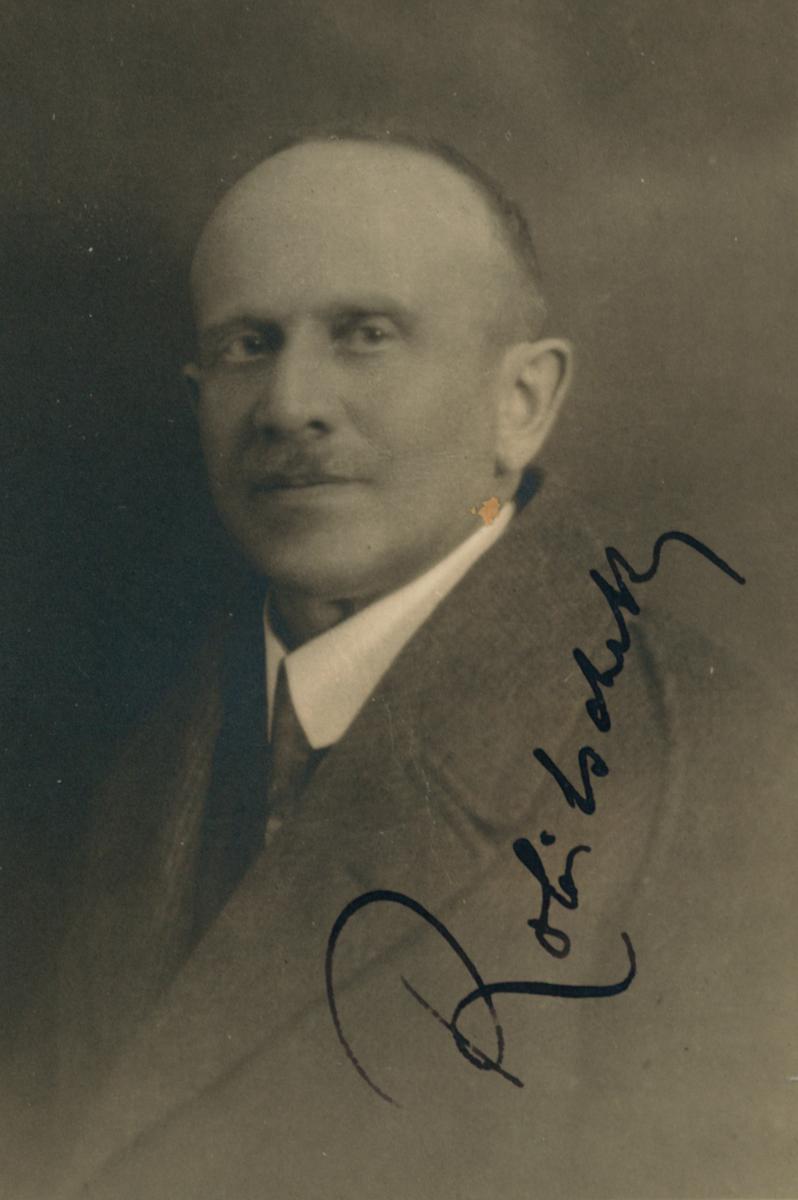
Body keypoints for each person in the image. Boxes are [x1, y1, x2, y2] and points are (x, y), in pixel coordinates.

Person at [31, 134, 795, 1199]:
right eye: (249, 344)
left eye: (366, 335)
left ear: (520, 402)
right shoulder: (106, 741)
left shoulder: (726, 769)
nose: (288, 402)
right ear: (199, 395)